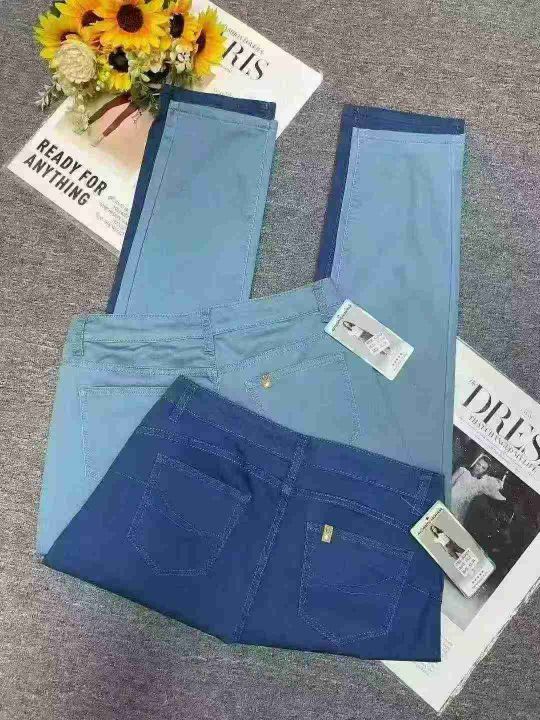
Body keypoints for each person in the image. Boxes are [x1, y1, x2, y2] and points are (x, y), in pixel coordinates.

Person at [451, 454, 506, 522]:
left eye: (483, 468)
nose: (479, 468)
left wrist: (500, 485)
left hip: (459, 511)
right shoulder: (462, 471)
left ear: (485, 471)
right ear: (475, 462)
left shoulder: (480, 483)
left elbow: (496, 488)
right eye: (478, 464)